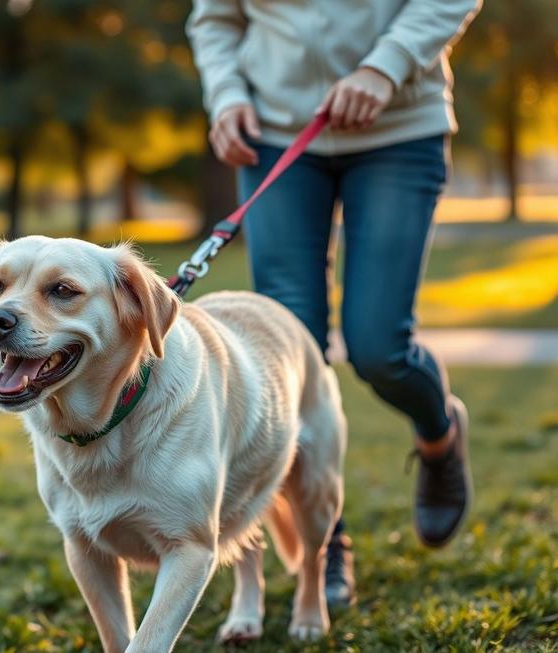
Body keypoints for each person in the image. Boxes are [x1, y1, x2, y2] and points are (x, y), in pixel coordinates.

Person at [187, 0, 482, 608]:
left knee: (380, 348)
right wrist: (226, 95)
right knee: (291, 359)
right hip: (275, 135)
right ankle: (328, 546)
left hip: (400, 128)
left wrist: (386, 65)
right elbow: (214, 18)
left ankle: (439, 436)